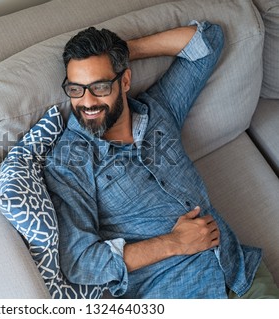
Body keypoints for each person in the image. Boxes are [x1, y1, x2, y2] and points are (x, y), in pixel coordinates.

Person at [44, 21, 279, 298]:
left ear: (125, 80)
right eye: (76, 89)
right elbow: (80, 262)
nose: (87, 102)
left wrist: (123, 50)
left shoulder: (160, 109)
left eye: (100, 87)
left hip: (242, 275)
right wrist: (174, 242)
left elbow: (208, 42)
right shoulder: (69, 161)